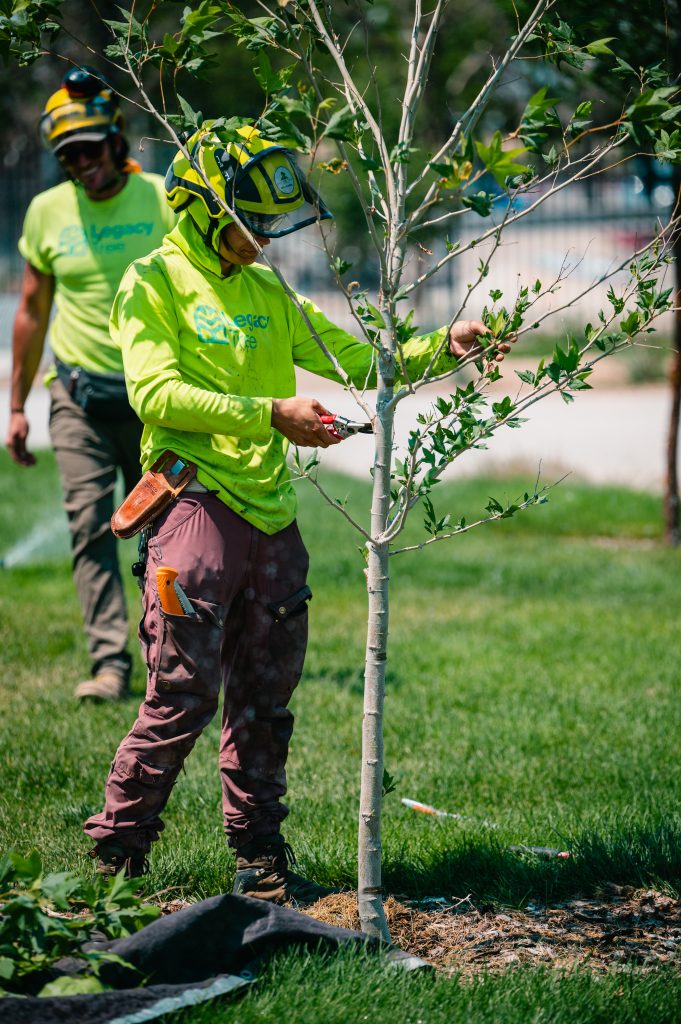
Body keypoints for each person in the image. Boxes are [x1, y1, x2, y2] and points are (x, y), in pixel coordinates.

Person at [83, 123, 514, 903]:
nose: (262, 242)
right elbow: (154, 394)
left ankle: (259, 861)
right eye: (250, 226)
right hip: (195, 505)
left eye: (269, 227)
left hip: (272, 522)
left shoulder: (264, 288)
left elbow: (349, 357)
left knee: (264, 700)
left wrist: (437, 343)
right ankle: (115, 858)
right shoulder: (153, 280)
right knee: (182, 693)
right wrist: (268, 413)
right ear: (203, 210)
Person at [5, 66, 176, 702]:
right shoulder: (48, 212)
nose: (84, 164)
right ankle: (109, 665)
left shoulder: (160, 199)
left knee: (165, 532)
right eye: (70, 155)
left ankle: (168, 660)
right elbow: (31, 308)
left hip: (154, 399)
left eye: (92, 149)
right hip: (76, 396)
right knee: (88, 528)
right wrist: (18, 406)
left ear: (117, 140)